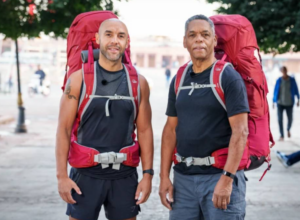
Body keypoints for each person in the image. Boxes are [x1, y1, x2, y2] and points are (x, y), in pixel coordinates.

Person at [56, 19, 154, 220]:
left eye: (121, 36)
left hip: (124, 176)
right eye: (109, 34)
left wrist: (147, 175)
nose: (114, 41)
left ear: (127, 42)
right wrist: (62, 177)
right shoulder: (78, 80)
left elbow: (145, 131)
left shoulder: (138, 82)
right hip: (85, 176)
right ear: (98, 39)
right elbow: (64, 130)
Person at [159, 15, 249, 219]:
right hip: (183, 180)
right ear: (185, 41)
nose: (199, 39)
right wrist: (164, 177)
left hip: (219, 176)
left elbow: (240, 131)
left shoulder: (228, 77)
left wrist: (227, 179)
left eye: (205, 35)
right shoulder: (179, 79)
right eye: (193, 35)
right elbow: (170, 131)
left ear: (214, 40)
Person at [273, 66, 299, 141]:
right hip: (280, 103)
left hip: (289, 103)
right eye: (282, 71)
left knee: (290, 119)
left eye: (285, 70)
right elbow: (275, 91)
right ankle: (282, 135)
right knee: (280, 119)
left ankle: (288, 129)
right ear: (281, 71)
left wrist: (298, 99)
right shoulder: (279, 80)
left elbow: (296, 89)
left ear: (286, 71)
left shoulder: (292, 80)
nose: (284, 72)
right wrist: (273, 101)